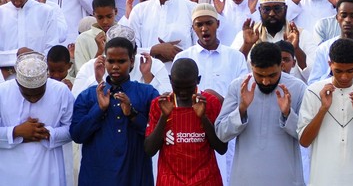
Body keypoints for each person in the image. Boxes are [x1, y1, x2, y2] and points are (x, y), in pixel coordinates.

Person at [70, 36, 161, 186]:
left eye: (121, 61)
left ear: (132, 61)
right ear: (104, 62)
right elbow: (77, 135)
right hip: (96, 177)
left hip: (135, 175)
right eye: (111, 61)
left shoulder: (147, 93)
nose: (115, 66)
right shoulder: (88, 95)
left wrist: (132, 114)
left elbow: (157, 136)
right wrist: (99, 109)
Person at [215, 42, 306, 185]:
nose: (266, 81)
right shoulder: (238, 87)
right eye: (259, 75)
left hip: (286, 179)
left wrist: (288, 114)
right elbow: (221, 134)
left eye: (272, 75)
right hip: (245, 179)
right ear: (251, 66)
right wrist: (241, 110)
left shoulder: (298, 88)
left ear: (281, 66)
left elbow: (305, 137)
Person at [298, 38, 353, 186]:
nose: (344, 77)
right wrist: (323, 109)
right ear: (329, 64)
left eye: (350, 71)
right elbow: (304, 141)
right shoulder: (313, 92)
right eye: (338, 71)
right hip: (322, 178)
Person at [144, 58, 227, 186]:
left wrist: (203, 117)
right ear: (170, 80)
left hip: (206, 180)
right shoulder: (159, 104)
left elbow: (222, 148)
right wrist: (163, 117)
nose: (183, 93)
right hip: (170, 182)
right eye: (177, 87)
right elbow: (149, 150)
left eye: (188, 87)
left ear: (198, 80)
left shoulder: (210, 102)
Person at [0, 52, 75, 186]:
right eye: (27, 93)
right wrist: (16, 132)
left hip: (49, 170)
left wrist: (47, 133)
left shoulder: (61, 91)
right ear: (18, 82)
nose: (33, 99)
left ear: (46, 79)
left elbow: (73, 129)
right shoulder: (2, 92)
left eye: (39, 93)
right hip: (10, 172)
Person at [128, 0, 196, 68]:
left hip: (184, 78)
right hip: (148, 78)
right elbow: (130, 51)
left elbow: (200, 50)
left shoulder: (191, 8)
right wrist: (154, 50)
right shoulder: (139, 11)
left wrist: (179, 55)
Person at [174, 4, 249, 100]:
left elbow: (242, 93)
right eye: (199, 25)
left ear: (218, 24)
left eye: (209, 23)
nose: (204, 29)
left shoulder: (236, 57)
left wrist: (222, 104)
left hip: (228, 113)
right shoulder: (182, 58)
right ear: (193, 28)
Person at [0, 0, 62, 73]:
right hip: (5, 81)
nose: (17, 2)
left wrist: (33, 61)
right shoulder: (1, 13)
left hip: (38, 79)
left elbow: (51, 50)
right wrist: (16, 54)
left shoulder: (46, 12)